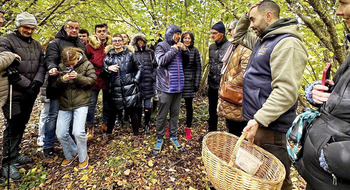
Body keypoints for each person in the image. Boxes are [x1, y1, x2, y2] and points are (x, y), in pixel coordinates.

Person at [234, 0, 308, 189]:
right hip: (258, 124)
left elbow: (286, 92)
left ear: (268, 16)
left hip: (272, 129)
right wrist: (248, 12)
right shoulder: (264, 40)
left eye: (253, 19)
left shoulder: (286, 43)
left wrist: (258, 119)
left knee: (277, 182)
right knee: (259, 178)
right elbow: (239, 34)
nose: (251, 25)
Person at [294, 1, 350, 189]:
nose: (338, 11)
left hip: (334, 178)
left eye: (344, 3)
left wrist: (330, 157)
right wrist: (320, 92)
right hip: (320, 178)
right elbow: (343, 106)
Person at [0, 12, 46, 180]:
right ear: (18, 26)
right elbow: (8, 68)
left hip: (31, 91)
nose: (29, 30)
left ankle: (15, 153)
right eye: (26, 27)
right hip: (14, 91)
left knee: (22, 123)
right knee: (12, 125)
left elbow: (42, 63)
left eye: (32, 28)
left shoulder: (36, 44)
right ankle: (7, 162)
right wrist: (27, 84)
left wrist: (37, 83)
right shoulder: (6, 41)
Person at [43, 19, 86, 158]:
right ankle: (48, 145)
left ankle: (72, 143)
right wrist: (52, 68)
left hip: (75, 86)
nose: (74, 30)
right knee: (53, 115)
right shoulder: (55, 43)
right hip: (58, 84)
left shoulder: (80, 44)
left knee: (73, 115)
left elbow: (84, 63)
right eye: (70, 27)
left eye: (77, 28)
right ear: (64, 28)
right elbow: (50, 59)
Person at [53, 47, 96, 169]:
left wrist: (77, 77)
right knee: (60, 133)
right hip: (65, 103)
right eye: (68, 64)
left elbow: (92, 81)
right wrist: (63, 79)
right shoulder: (61, 66)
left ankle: (83, 157)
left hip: (81, 102)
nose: (70, 66)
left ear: (77, 57)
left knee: (78, 132)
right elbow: (54, 84)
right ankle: (71, 153)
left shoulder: (87, 64)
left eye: (73, 63)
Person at [153, 24, 188, 155]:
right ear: (169, 34)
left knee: (175, 114)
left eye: (180, 34)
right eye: (176, 34)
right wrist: (173, 49)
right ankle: (160, 138)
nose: (178, 36)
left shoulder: (179, 46)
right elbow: (161, 61)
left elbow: (186, 63)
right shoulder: (161, 46)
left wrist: (185, 51)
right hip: (165, 87)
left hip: (178, 87)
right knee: (162, 115)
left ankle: (173, 136)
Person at [101, 34, 142, 147]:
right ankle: (109, 134)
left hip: (129, 88)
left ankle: (136, 135)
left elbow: (139, 67)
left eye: (119, 40)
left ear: (123, 42)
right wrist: (107, 69)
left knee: (133, 112)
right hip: (115, 89)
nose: (117, 42)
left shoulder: (130, 55)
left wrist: (135, 80)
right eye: (115, 41)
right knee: (112, 113)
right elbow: (102, 74)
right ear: (112, 42)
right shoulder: (108, 57)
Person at [217, 21, 252, 136]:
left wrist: (229, 85)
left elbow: (246, 73)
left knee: (238, 133)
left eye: (231, 30)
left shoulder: (246, 49)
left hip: (236, 98)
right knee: (231, 130)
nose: (229, 33)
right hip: (230, 98)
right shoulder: (234, 47)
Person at [85, 23, 111, 140]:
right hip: (94, 78)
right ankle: (90, 126)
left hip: (107, 78)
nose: (101, 33)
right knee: (91, 104)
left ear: (106, 32)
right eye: (99, 31)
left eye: (103, 31)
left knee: (107, 104)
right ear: (95, 33)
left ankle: (105, 124)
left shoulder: (110, 46)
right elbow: (85, 61)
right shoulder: (89, 46)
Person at [131, 33, 157, 134]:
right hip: (137, 83)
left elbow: (155, 65)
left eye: (142, 40)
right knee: (137, 105)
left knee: (147, 104)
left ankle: (147, 124)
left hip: (148, 81)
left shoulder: (150, 52)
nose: (140, 42)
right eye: (138, 41)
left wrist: (153, 75)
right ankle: (139, 123)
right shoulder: (133, 52)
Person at [207, 21, 230, 132]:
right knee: (212, 111)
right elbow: (211, 64)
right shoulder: (211, 47)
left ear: (222, 33)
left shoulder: (230, 46)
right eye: (211, 33)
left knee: (228, 112)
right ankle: (211, 133)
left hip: (224, 85)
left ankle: (230, 136)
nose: (212, 35)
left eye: (215, 33)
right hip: (212, 84)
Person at [180, 31, 202, 140]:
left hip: (189, 82)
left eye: (189, 38)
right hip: (178, 81)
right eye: (185, 38)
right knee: (174, 106)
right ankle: (171, 126)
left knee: (189, 106)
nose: (187, 40)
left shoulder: (195, 51)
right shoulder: (178, 49)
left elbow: (198, 68)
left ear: (192, 40)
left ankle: (188, 128)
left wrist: (197, 82)